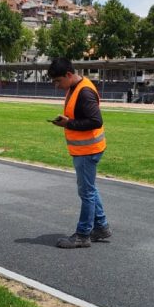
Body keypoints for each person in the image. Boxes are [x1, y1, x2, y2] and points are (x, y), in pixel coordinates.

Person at [47, 58, 111, 249]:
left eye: (58, 81)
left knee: (87, 193)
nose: (57, 86)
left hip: (87, 150)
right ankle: (101, 227)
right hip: (85, 149)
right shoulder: (75, 87)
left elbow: (95, 121)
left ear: (68, 74)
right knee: (90, 190)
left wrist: (68, 124)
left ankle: (83, 235)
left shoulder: (84, 92)